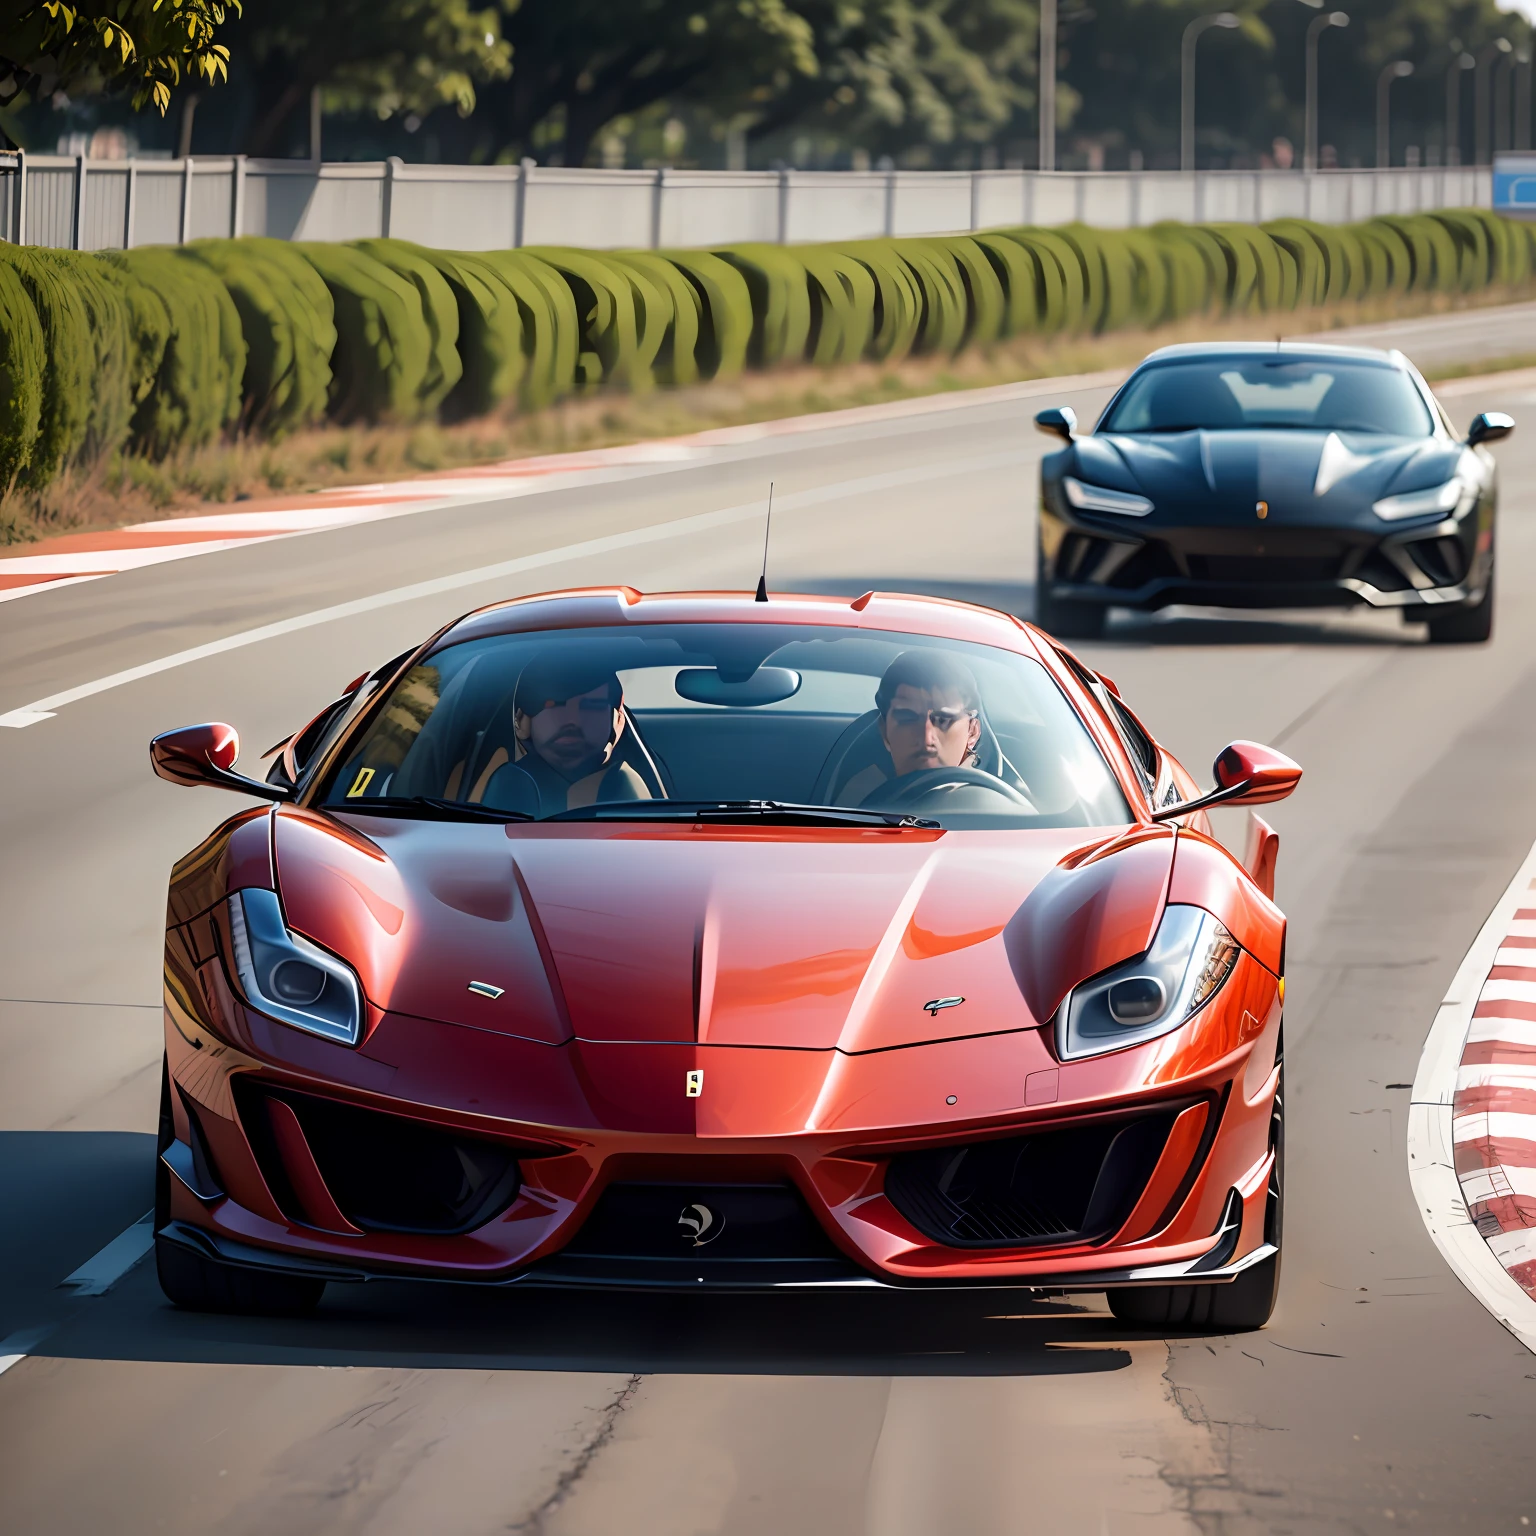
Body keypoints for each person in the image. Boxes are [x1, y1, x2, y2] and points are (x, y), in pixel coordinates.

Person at [471, 654, 652, 816]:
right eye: (553, 704)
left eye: (591, 705)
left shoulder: (626, 785)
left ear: (617, 721)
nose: (573, 719)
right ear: (521, 720)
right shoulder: (508, 791)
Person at [837, 650, 985, 805]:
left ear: (972, 732)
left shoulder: (996, 808)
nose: (926, 737)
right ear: (885, 731)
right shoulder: (856, 797)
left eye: (943, 720)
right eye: (907, 718)